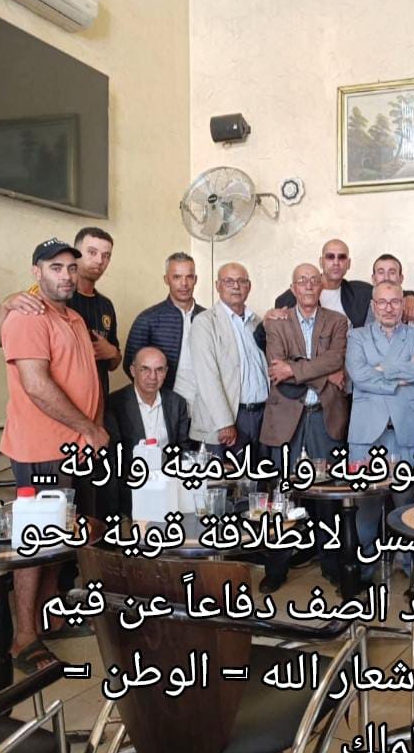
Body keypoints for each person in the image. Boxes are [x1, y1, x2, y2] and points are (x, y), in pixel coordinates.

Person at [0, 238, 106, 673]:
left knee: (61, 540)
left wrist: (89, 433)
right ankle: (24, 637)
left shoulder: (74, 317)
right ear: (37, 272)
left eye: (71, 268)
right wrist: (89, 428)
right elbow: (37, 385)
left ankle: (50, 617)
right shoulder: (27, 315)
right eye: (55, 267)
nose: (66, 275)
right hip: (42, 448)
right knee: (35, 544)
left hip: (75, 449)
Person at [259, 263, 350, 592]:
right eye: (302, 281)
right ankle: (276, 568)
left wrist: (297, 368)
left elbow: (336, 359)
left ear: (321, 285)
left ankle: (331, 566)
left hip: (324, 417)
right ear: (293, 287)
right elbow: (277, 368)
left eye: (314, 280)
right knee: (281, 496)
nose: (309, 286)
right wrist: (323, 375)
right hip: (287, 418)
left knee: (328, 497)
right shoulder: (276, 321)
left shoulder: (337, 321)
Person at [346, 281, 414, 580]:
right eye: (382, 302)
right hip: (366, 433)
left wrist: (382, 370)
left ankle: (407, 564)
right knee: (366, 505)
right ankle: (365, 567)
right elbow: (358, 374)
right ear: (373, 306)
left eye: (395, 301)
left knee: (406, 503)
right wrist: (401, 374)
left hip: (406, 429)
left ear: (403, 305)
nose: (388, 308)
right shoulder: (356, 336)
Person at [0, 227, 120, 395]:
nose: (99, 260)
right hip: (56, 403)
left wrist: (112, 352)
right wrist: (5, 305)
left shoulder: (106, 305)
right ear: (76, 256)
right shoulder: (50, 296)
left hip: (98, 400)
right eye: (92, 252)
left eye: (106, 255)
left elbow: (114, 362)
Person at [189, 262, 269, 458]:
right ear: (217, 286)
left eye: (242, 281)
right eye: (229, 281)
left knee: (258, 476)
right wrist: (224, 422)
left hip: (261, 416)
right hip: (227, 419)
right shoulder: (205, 322)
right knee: (225, 476)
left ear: (249, 286)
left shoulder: (257, 322)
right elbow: (207, 377)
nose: (236, 286)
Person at [104, 346, 190, 516]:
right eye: (145, 369)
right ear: (133, 371)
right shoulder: (115, 403)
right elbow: (113, 457)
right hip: (131, 488)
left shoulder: (177, 403)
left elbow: (183, 449)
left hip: (167, 486)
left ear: (166, 372)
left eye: (159, 370)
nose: (152, 377)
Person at [123, 252, 206, 426]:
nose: (184, 284)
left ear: (196, 279)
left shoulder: (208, 319)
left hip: (205, 410)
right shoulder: (148, 319)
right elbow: (131, 366)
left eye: (189, 277)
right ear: (166, 279)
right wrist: (154, 397)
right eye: (177, 277)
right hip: (165, 411)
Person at [276, 238, 373, 327]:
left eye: (341, 257)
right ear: (321, 262)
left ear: (348, 264)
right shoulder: (293, 297)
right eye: (330, 257)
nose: (336, 263)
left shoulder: (361, 293)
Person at [371, 253, 414, 324]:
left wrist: (411, 296)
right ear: (373, 279)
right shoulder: (361, 298)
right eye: (381, 272)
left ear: (401, 278)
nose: (386, 278)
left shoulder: (406, 302)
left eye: (392, 273)